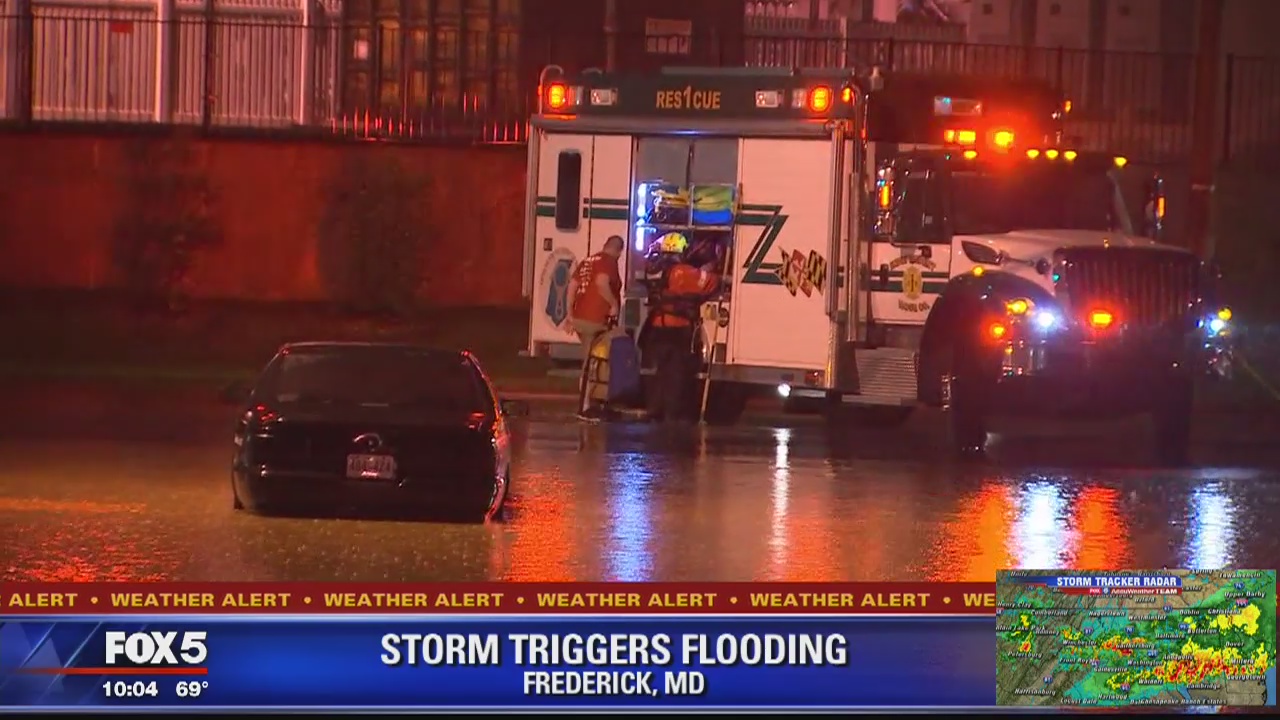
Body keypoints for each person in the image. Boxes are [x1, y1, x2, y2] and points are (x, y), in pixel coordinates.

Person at [642, 232, 722, 423]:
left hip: (656, 329)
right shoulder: (682, 272)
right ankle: (673, 416)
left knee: (661, 373)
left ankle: (656, 411)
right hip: (677, 330)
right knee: (677, 375)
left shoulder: (654, 269)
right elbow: (710, 284)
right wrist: (712, 268)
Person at [566, 235, 624, 421]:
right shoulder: (609, 262)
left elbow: (572, 286)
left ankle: (589, 403)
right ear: (618, 250)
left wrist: (569, 314)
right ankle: (587, 406)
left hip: (580, 318)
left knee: (590, 358)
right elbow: (601, 283)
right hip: (597, 319)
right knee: (595, 362)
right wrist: (613, 303)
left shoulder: (588, 261)